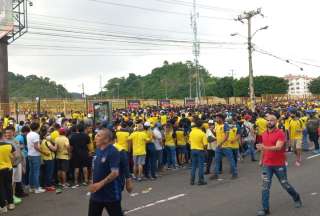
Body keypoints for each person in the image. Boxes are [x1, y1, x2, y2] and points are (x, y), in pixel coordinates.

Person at [256, 114, 302, 216]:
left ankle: (296, 197)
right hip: (267, 164)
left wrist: (263, 147)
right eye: (267, 120)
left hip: (279, 164)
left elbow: (278, 147)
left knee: (285, 184)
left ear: (275, 122)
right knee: (265, 187)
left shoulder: (280, 133)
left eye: (271, 120)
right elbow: (263, 149)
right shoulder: (263, 134)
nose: (269, 122)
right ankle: (265, 209)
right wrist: (261, 160)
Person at [88, 128, 122, 216]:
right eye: (96, 135)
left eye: (98, 135)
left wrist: (100, 184)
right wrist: (92, 181)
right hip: (96, 194)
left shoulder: (113, 152)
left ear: (106, 139)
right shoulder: (98, 150)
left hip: (110, 195)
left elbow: (115, 173)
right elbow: (95, 168)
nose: (95, 137)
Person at [211, 114, 238, 180]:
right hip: (219, 146)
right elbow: (216, 134)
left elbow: (227, 136)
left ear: (221, 119)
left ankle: (235, 173)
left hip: (226, 146)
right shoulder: (217, 126)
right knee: (216, 160)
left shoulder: (225, 125)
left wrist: (221, 143)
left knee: (231, 160)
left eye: (217, 118)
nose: (216, 119)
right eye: (216, 118)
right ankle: (216, 174)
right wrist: (212, 131)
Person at [27, 122, 46, 194]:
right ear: (37, 128)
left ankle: (31, 187)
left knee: (31, 171)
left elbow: (33, 144)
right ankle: (37, 188)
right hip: (35, 155)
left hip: (30, 154)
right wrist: (43, 152)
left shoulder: (29, 134)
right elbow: (36, 146)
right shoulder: (36, 135)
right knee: (36, 172)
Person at [70, 124, 91, 188]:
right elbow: (89, 146)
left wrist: (70, 153)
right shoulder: (86, 136)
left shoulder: (73, 137)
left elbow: (71, 147)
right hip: (84, 153)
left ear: (77, 129)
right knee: (85, 167)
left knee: (76, 168)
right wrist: (89, 152)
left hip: (76, 154)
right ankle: (86, 180)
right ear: (83, 129)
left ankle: (76, 182)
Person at [0, 130, 16, 213]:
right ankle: (11, 203)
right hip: (8, 168)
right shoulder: (10, 145)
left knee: (1, 188)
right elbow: (14, 156)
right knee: (9, 186)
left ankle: (3, 206)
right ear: (2, 136)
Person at [189, 118, 208, 185]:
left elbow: (190, 141)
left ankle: (192, 180)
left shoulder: (191, 132)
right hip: (200, 150)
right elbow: (205, 145)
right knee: (200, 166)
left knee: (193, 166)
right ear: (201, 125)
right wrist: (205, 150)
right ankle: (201, 180)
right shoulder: (202, 133)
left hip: (192, 149)